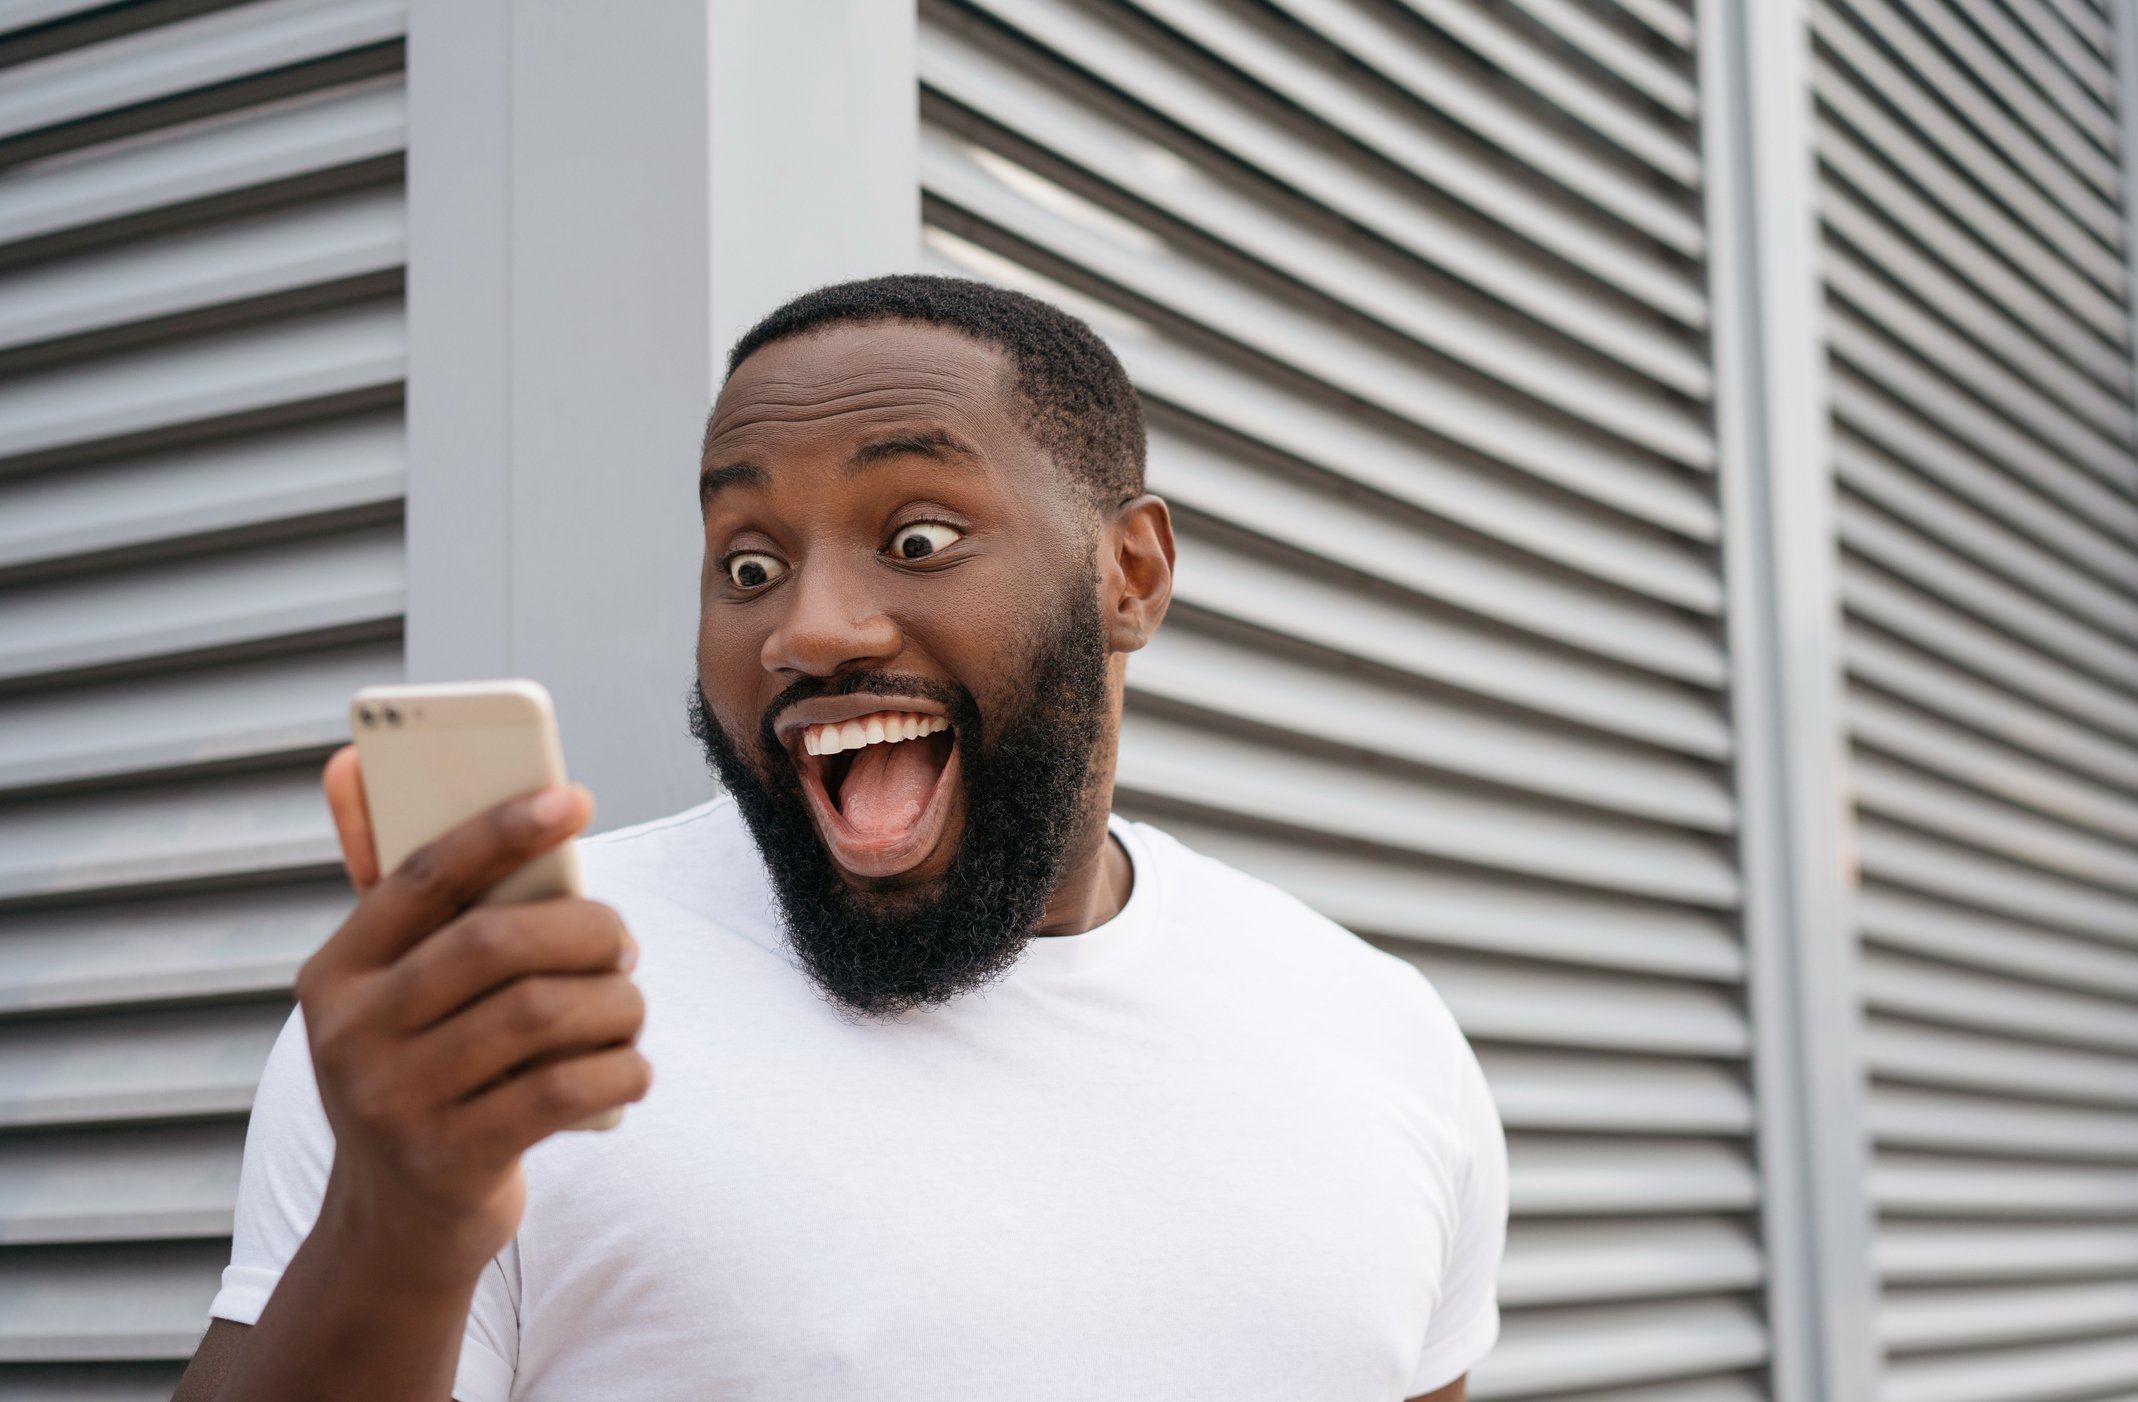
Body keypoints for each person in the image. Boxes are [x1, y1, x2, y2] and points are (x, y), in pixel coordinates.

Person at [171, 275, 1506, 1402]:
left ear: (1131, 574)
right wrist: (402, 1217)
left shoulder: (1380, 1035)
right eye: (748, 565)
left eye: (917, 537)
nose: (806, 630)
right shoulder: (497, 1023)